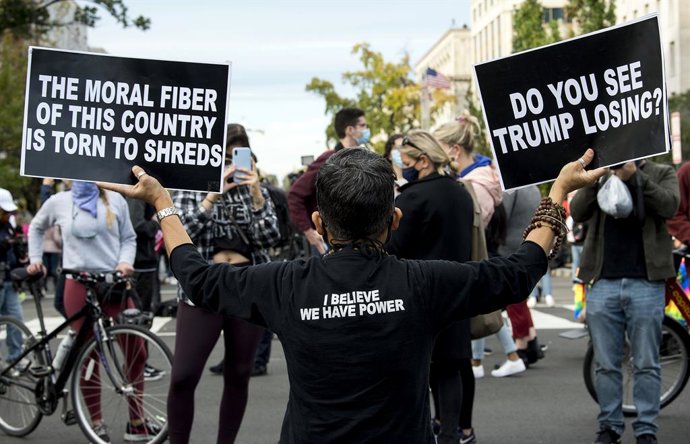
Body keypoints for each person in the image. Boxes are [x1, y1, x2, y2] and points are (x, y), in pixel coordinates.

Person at [102, 146, 603, 443]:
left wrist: (164, 204)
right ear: (396, 219)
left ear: (319, 222)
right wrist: (556, 193)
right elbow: (518, 272)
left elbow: (197, 277)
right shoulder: (425, 283)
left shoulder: (283, 283)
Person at [168, 123, 281, 443]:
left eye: (238, 156)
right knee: (184, 375)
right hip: (204, 284)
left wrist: (258, 193)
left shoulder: (256, 188)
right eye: (226, 156)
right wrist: (212, 197)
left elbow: (271, 236)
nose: (232, 164)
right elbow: (182, 232)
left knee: (239, 373)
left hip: (247, 283)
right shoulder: (192, 186)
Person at [27, 181, 155, 442]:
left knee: (136, 351)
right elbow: (36, 228)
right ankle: (95, 421)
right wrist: (35, 259)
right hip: (77, 284)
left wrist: (124, 262)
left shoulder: (116, 199)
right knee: (90, 355)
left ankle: (136, 421)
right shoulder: (59, 201)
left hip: (113, 284)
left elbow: (129, 238)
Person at [570, 159, 679, 444]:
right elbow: (578, 212)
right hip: (603, 280)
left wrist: (635, 178)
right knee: (605, 363)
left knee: (646, 362)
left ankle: (646, 429)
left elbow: (670, 206)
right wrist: (597, 178)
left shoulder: (660, 172)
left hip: (647, 280)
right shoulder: (599, 174)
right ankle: (609, 425)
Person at [385, 131, 475, 444]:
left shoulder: (411, 198)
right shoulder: (461, 192)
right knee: (450, 368)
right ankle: (451, 434)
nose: (401, 166)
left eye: (405, 161)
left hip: (418, 293)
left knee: (418, 373)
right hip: (455, 290)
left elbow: (393, 247)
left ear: (423, 161)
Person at [433, 116, 523, 379]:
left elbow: (470, 226)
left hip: (476, 255)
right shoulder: (474, 177)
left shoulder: (475, 183)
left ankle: (495, 359)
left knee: (480, 310)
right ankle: (481, 361)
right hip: (478, 254)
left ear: (454, 149)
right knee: (479, 310)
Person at [288, 107, 368, 255]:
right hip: (330, 243)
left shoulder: (361, 156)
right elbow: (295, 195)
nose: (367, 130)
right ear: (350, 130)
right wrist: (309, 231)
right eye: (363, 126)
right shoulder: (329, 159)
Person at [501, 186, 548, 368]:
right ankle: (531, 338)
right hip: (527, 242)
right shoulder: (534, 188)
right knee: (520, 299)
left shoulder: (512, 189)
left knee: (514, 299)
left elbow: (503, 215)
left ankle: (521, 346)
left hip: (509, 246)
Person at [0, 188, 28, 365]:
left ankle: (16, 357)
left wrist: (20, 256)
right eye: (5, 211)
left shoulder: (8, 226)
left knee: (16, 319)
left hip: (10, 279)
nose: (8, 214)